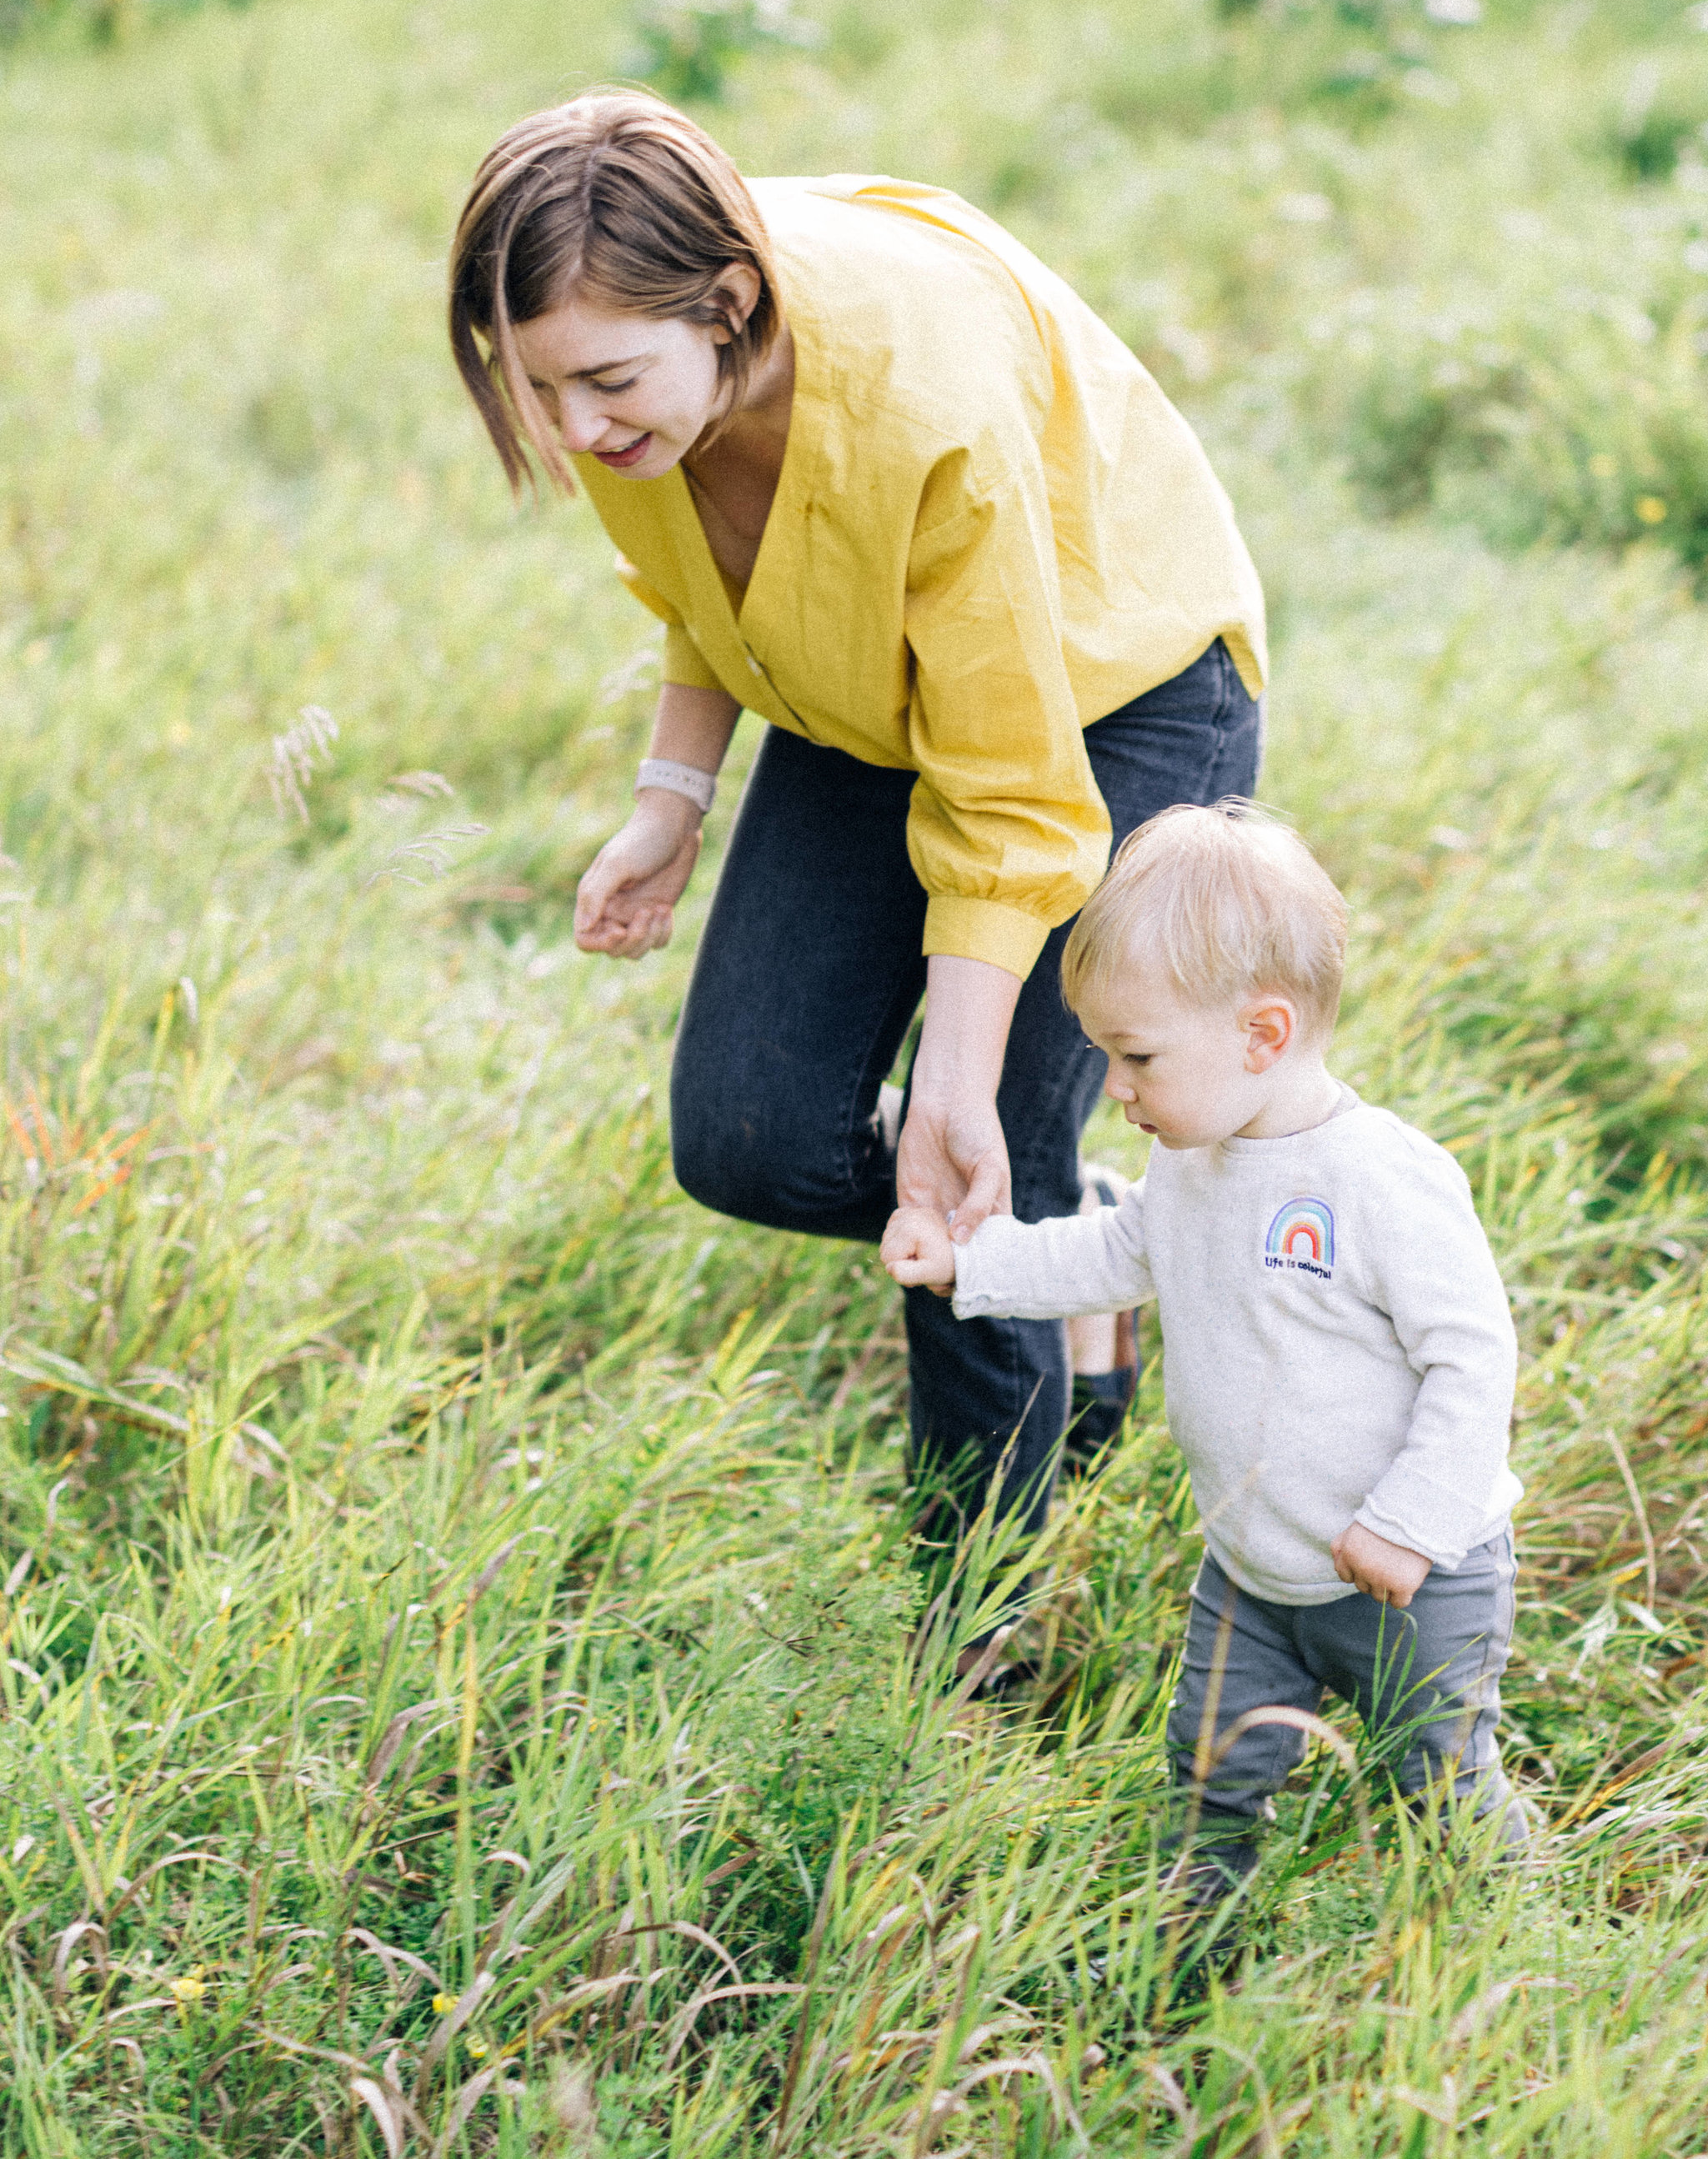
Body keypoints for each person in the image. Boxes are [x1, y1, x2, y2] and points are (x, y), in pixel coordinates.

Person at [447, 92, 1266, 1547]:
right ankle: (1073, 1235)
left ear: (731, 305)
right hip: (867, 690)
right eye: (540, 387)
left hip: (1106, 691)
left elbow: (1009, 785)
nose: (575, 430)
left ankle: (975, 1624)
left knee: (974, 1166)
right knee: (746, 1134)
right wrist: (670, 798)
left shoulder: (914, 405)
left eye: (609, 383)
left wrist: (961, 1088)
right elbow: (707, 584)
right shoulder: (633, 354)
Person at [882, 804, 1526, 1896]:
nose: (1115, 1090)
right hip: (1252, 1569)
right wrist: (969, 1265)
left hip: (1408, 1579)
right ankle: (1193, 1925)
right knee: (1208, 1768)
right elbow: (1118, 1249)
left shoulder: (1381, 1180)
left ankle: (1494, 1928)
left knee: (1439, 1780)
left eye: (1134, 1057)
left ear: (1262, 1035)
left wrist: (1408, 1522)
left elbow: (1474, 1360)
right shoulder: (1195, 1159)